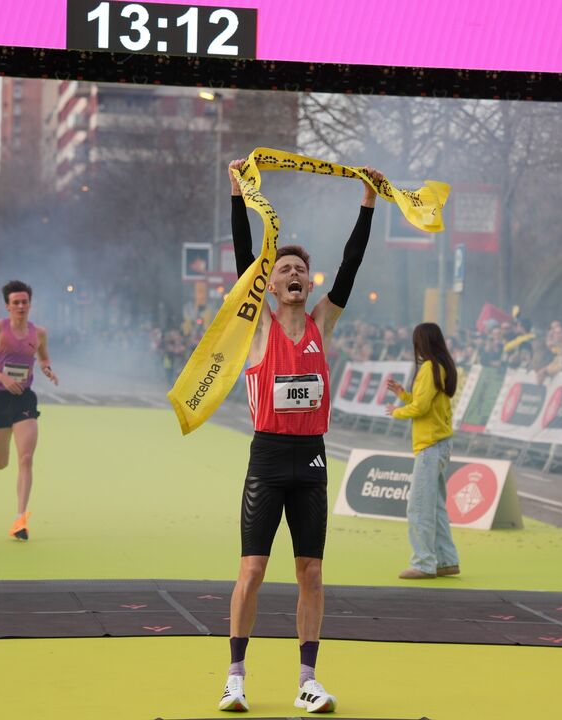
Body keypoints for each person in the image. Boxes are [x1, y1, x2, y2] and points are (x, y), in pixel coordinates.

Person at [217, 158, 382, 714]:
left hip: (310, 458)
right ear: (271, 281)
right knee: (253, 569)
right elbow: (246, 262)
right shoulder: (258, 324)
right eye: (282, 267)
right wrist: (238, 195)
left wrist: (367, 204)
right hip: (267, 456)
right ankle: (235, 678)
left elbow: (350, 268)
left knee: (311, 571)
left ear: (306, 284)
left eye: (298, 270)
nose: (291, 274)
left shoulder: (322, 323)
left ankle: (308, 680)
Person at [0, 280, 59, 541]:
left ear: (30, 304)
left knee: (26, 458)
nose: (21, 306)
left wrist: (47, 368)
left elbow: (43, 356)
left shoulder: (39, 333)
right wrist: (2, 377)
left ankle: (20, 519)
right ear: (7, 306)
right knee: (0, 463)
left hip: (24, 400)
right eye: (16, 302)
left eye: (25, 302)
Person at [385, 322, 461, 579]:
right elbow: (424, 402)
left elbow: (420, 409)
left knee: (418, 508)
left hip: (429, 446)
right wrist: (404, 395)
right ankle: (447, 560)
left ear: (422, 343)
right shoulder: (441, 367)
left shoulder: (428, 368)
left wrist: (397, 411)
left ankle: (424, 562)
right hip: (440, 444)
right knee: (436, 507)